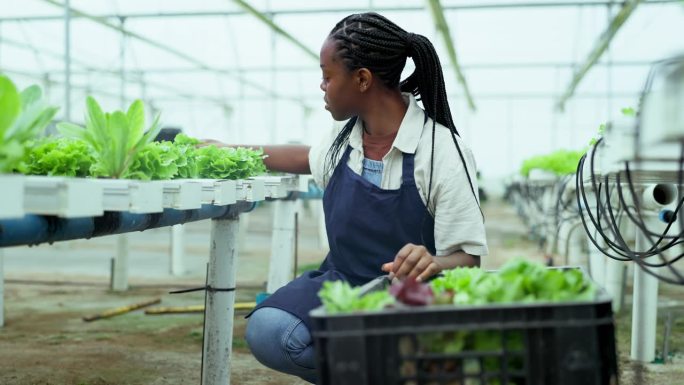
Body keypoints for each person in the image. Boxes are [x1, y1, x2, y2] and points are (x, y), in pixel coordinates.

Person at [222, 12, 488, 384]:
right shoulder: (342, 138)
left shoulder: (440, 151)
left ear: (362, 79)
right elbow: (304, 157)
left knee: (388, 346)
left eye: (328, 76)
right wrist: (229, 151)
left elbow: (468, 259)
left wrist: (434, 261)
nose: (322, 86)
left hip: (412, 299)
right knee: (270, 331)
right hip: (343, 282)